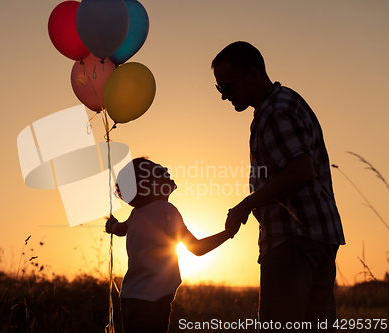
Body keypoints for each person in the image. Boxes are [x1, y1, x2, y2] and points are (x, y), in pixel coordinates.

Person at [211, 41, 345, 332]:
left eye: (228, 88)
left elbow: (301, 172)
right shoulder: (287, 102)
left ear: (253, 76)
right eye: (219, 90)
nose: (224, 97)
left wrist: (246, 205)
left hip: (291, 239)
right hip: (319, 236)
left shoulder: (274, 112)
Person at [105, 157, 238, 333]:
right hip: (152, 301)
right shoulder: (166, 210)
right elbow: (197, 249)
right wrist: (228, 233)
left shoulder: (136, 214)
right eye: (159, 171)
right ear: (147, 187)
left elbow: (120, 229)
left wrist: (111, 225)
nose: (166, 171)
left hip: (129, 297)